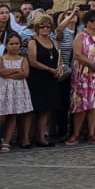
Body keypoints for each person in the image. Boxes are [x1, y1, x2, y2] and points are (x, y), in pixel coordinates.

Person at [67, 11, 95, 143]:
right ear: (86, 22)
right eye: (92, 21)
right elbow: (77, 54)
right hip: (82, 74)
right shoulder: (80, 36)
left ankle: (91, 132)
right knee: (80, 105)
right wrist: (92, 63)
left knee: (93, 104)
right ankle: (76, 133)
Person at [0, 30, 33, 152]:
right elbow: (0, 71)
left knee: (13, 115)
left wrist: (11, 73)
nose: (14, 46)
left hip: (18, 89)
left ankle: (6, 143)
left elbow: (25, 73)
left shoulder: (23, 59)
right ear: (6, 45)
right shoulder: (1, 58)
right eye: (12, 44)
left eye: (17, 43)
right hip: (4, 89)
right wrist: (16, 71)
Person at [25, 14, 63, 147]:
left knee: (45, 109)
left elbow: (59, 58)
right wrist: (49, 69)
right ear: (37, 28)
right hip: (37, 78)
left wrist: (59, 69)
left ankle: (41, 137)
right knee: (31, 109)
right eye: (43, 26)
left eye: (48, 26)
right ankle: (25, 138)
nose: (46, 29)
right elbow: (33, 61)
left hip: (50, 79)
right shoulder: (32, 41)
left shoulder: (54, 42)